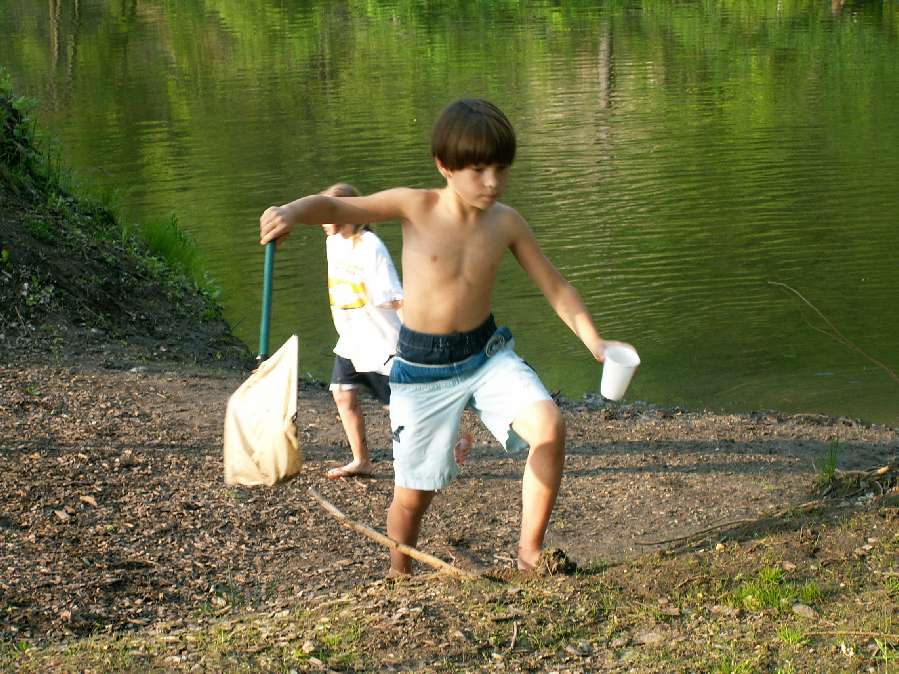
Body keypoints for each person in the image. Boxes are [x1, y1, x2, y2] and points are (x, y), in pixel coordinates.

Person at [260, 98, 633, 574]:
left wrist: (595, 341)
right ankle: (399, 572)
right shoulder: (416, 206)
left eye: (501, 169)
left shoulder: (506, 222)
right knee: (414, 495)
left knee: (549, 427)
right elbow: (336, 205)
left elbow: (556, 287)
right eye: (478, 170)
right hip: (422, 368)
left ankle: (530, 553)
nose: (492, 182)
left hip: (486, 354)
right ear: (444, 165)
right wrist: (290, 212)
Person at [319, 182, 403, 479]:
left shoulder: (370, 246)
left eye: (327, 212)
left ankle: (447, 447)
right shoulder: (333, 242)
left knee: (400, 408)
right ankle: (361, 460)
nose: (321, 220)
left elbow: (395, 297)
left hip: (382, 342)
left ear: (346, 212)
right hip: (351, 339)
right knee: (342, 394)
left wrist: (418, 338)